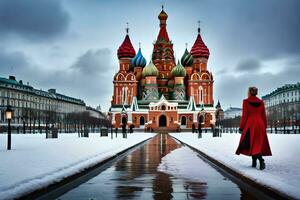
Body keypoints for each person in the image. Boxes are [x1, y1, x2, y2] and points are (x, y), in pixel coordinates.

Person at [236, 87, 272, 170]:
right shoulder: (261, 102)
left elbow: (244, 116)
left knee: (251, 143)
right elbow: (263, 115)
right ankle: (254, 162)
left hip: (250, 124)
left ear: (249, 92)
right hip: (260, 124)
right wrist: (265, 126)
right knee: (256, 144)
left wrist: (241, 127)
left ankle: (261, 160)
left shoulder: (245, 102)